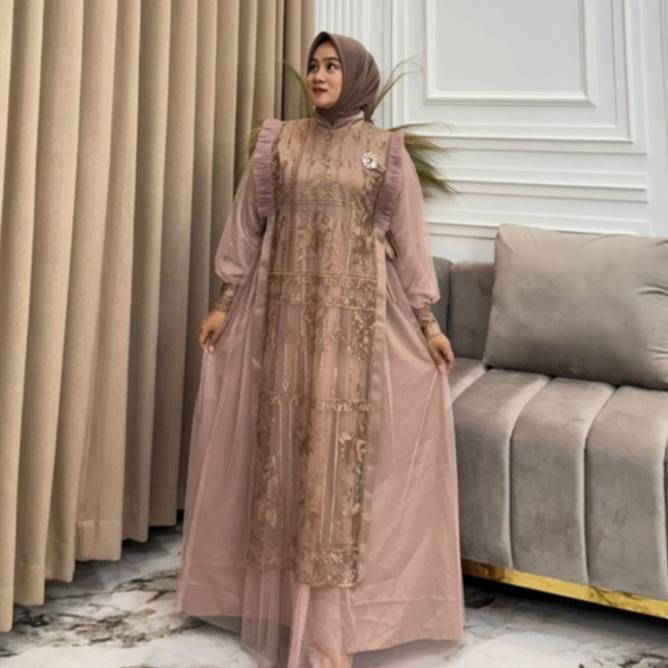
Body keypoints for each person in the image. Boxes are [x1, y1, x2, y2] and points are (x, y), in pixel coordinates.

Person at [177, 31, 464, 668]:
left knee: (337, 465)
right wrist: (224, 303)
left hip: (354, 333)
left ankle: (330, 629)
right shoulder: (280, 143)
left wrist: (428, 324)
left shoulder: (386, 154)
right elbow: (247, 228)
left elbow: (409, 244)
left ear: (356, 77)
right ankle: (284, 612)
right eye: (313, 65)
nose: (319, 74)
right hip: (283, 326)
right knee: (284, 457)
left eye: (332, 66)